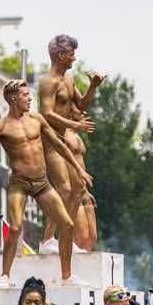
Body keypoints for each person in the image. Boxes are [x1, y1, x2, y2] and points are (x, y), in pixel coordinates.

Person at [0, 80, 92, 287]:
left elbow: (58, 144)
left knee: (67, 224)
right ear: (14, 99)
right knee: (15, 228)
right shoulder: (2, 126)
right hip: (19, 183)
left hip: (41, 182)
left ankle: (66, 276)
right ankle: (5, 276)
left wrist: (78, 169)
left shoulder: (37, 119)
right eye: (25, 95)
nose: (30, 98)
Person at [39, 34, 105, 254]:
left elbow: (81, 106)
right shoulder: (49, 83)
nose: (74, 59)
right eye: (71, 54)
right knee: (65, 189)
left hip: (63, 141)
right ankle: (47, 239)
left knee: (78, 190)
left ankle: (65, 240)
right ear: (60, 55)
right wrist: (74, 125)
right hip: (50, 141)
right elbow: (47, 114)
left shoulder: (68, 79)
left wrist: (93, 87)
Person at [65, 105, 97, 251]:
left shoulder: (76, 135)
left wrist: (86, 191)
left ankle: (85, 263)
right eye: (80, 111)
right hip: (72, 189)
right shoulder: (62, 134)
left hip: (83, 188)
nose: (84, 114)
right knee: (80, 237)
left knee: (92, 237)